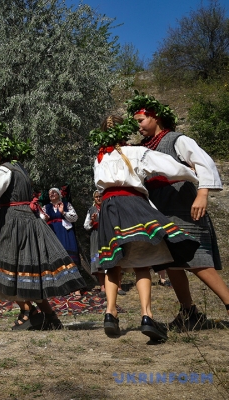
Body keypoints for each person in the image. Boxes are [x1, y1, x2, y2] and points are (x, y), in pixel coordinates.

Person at [0, 122, 86, 331]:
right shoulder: (20, 169)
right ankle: (47, 315)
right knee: (25, 270)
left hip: (12, 221)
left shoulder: (4, 170)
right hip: (28, 221)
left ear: (0, 150)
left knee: (5, 269)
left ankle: (29, 312)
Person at [90, 115, 200, 342]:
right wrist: (191, 173)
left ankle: (110, 313)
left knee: (113, 263)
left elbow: (98, 185)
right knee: (142, 264)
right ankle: (147, 316)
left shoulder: (99, 158)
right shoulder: (137, 152)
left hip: (109, 208)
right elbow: (167, 166)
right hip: (133, 205)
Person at [127, 92, 229, 330]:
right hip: (159, 207)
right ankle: (189, 312)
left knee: (196, 257)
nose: (138, 127)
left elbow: (204, 162)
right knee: (171, 260)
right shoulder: (143, 147)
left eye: (141, 121)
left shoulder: (176, 140)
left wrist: (203, 193)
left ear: (155, 117)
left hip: (182, 203)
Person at [42, 188, 79, 265]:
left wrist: (63, 213)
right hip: (52, 232)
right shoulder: (46, 207)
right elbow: (40, 220)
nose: (51, 194)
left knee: (67, 256)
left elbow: (75, 218)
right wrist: (45, 219)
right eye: (50, 194)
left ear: (59, 194)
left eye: (54, 193)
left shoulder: (66, 205)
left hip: (65, 233)